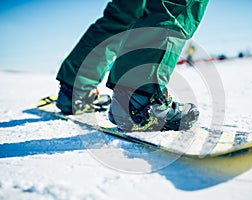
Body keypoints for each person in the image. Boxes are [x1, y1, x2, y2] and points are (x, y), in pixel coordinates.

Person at [56, 0, 209, 131]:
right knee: (175, 6)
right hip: (141, 106)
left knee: (122, 14)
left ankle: (76, 89)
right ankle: (139, 102)